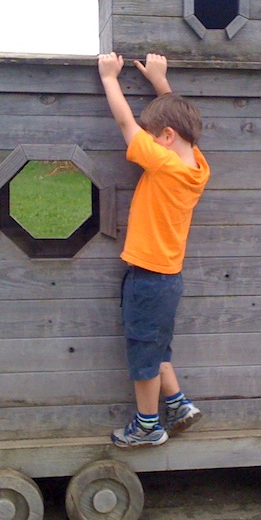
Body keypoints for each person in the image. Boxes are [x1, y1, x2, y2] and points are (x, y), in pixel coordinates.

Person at [97, 52, 211, 448]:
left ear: (164, 139)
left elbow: (125, 122)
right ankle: (177, 404)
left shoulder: (162, 164)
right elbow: (183, 127)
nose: (146, 137)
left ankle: (148, 425)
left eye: (154, 133)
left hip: (147, 276)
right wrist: (162, 84)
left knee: (144, 355)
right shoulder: (197, 168)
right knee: (156, 344)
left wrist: (110, 77)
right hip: (169, 277)